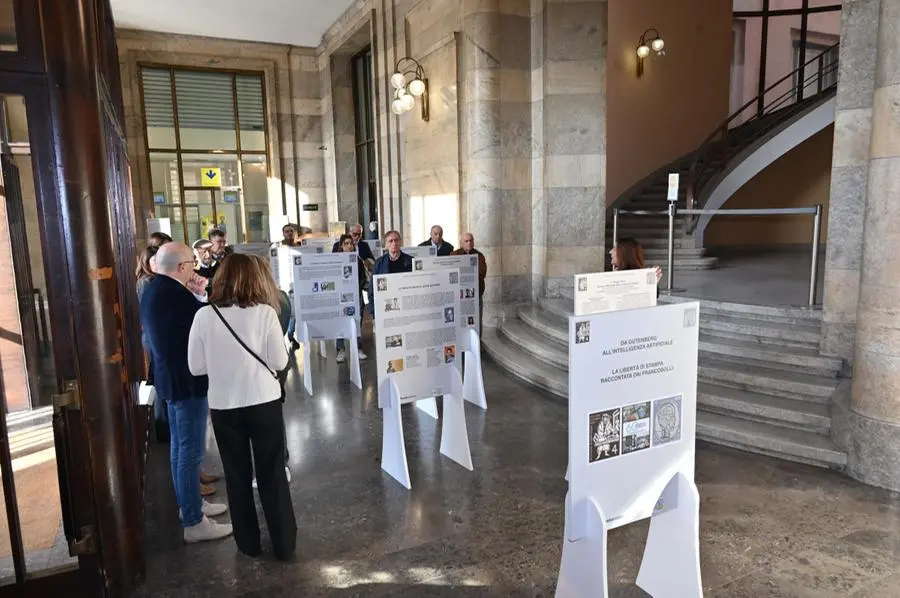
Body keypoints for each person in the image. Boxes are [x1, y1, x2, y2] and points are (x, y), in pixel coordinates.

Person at [187, 254, 296, 561]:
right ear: (255, 279)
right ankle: (284, 543)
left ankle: (248, 544)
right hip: (264, 401)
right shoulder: (264, 313)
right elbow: (279, 361)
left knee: (236, 474)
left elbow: (195, 367)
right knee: (271, 472)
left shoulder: (204, 316)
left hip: (224, 405)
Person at [140, 243, 232, 544]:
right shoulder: (173, 295)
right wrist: (202, 294)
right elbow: (209, 321)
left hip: (173, 379)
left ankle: (190, 505)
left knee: (181, 449)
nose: (195, 267)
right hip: (186, 381)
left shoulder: (157, 289)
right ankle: (194, 521)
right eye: (191, 262)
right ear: (180, 267)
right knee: (189, 452)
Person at [333, 234, 369, 363]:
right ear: (341, 246)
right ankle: (341, 350)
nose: (349, 246)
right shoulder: (335, 260)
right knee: (340, 322)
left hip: (356, 295)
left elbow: (363, 278)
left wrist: (356, 288)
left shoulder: (357, 260)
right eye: (346, 243)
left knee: (357, 322)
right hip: (340, 296)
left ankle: (357, 348)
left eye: (351, 243)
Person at [369, 230, 413, 312]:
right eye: (390, 241)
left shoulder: (410, 261)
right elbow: (372, 289)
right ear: (386, 245)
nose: (394, 243)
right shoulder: (379, 263)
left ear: (400, 242)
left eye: (396, 240)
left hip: (406, 307)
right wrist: (373, 312)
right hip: (385, 307)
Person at [451, 232, 487, 326]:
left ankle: (478, 340)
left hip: (476, 294)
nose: (469, 243)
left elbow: (482, 273)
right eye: (466, 241)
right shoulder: (454, 255)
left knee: (477, 320)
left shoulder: (479, 256)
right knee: (461, 321)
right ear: (461, 243)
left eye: (471, 241)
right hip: (459, 295)